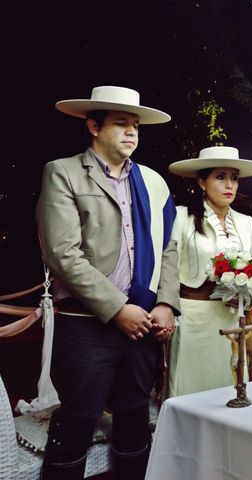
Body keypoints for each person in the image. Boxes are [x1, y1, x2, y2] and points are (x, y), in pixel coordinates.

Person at [36, 85, 180, 480]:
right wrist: (117, 308)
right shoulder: (63, 171)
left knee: (135, 420)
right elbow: (62, 254)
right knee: (77, 424)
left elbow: (169, 247)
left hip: (144, 323)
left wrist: (166, 302)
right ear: (94, 126)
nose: (132, 131)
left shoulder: (153, 183)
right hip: (86, 323)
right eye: (121, 123)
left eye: (135, 124)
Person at [166, 146, 252, 397]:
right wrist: (167, 310)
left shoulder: (246, 222)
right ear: (202, 181)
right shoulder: (181, 217)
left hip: (235, 319)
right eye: (220, 177)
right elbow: (166, 269)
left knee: (232, 390)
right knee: (191, 391)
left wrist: (247, 297)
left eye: (234, 178)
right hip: (193, 319)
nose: (229, 185)